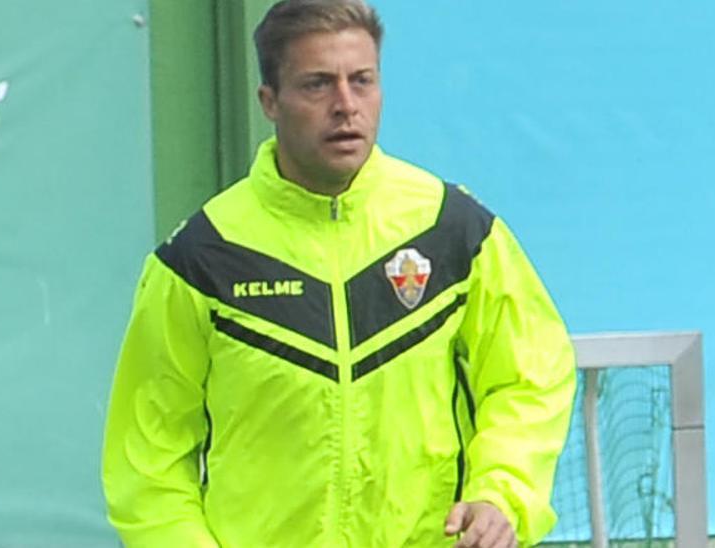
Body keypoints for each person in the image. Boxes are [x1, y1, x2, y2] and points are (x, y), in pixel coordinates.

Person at [101, 0, 576, 546]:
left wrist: (501, 493)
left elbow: (531, 375)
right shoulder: (201, 258)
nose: (346, 106)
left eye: (363, 81)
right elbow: (148, 458)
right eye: (317, 85)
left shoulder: (452, 229)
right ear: (269, 102)